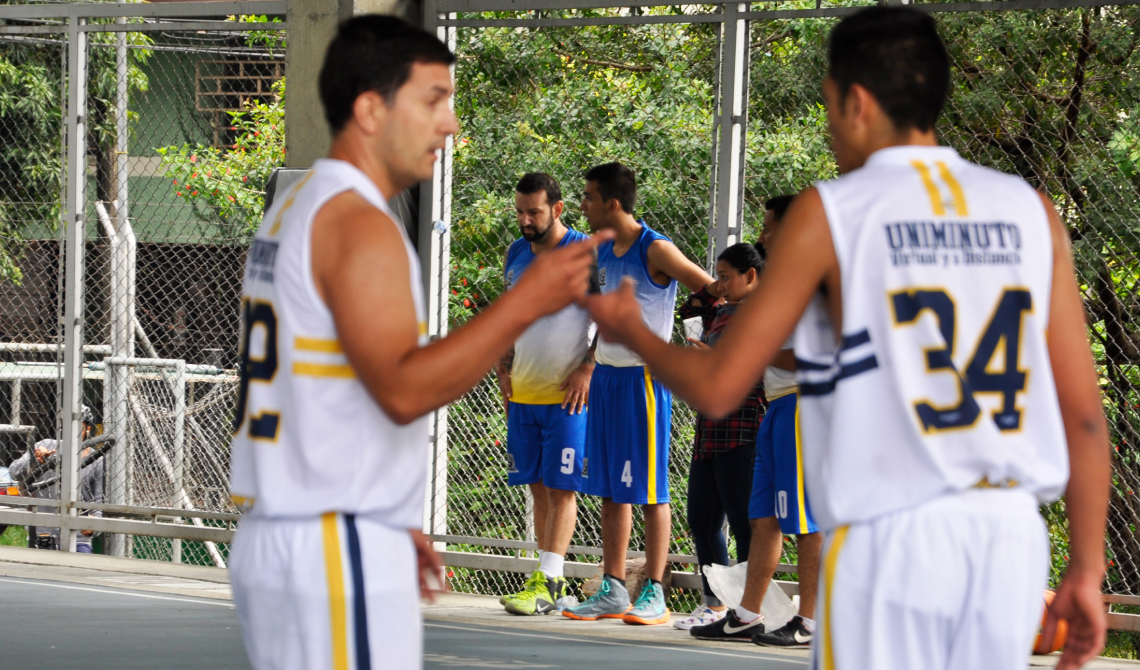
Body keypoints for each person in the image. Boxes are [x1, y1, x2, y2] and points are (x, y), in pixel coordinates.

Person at [585, 7, 1109, 670]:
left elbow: (720, 385)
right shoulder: (1029, 212)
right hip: (1006, 539)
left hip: (891, 537)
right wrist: (1085, 571)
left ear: (856, 102)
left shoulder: (832, 213)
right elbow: (1085, 416)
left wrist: (633, 328)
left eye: (828, 104)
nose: (828, 126)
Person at [226, 16, 607, 670]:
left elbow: (332, 380)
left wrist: (388, 516)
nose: (450, 123)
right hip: (330, 541)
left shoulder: (299, 203)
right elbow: (404, 389)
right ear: (372, 109)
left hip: (296, 530)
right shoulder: (358, 223)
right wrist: (524, 303)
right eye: (434, 100)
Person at [562, 162, 719, 626]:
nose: (583, 205)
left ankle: (654, 590)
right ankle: (612, 588)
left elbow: (711, 290)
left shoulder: (657, 248)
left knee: (649, 489)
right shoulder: (601, 251)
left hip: (644, 381)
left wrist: (704, 341)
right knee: (611, 489)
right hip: (608, 379)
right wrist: (591, 361)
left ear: (612, 203)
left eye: (588, 197)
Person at [691, 195, 823, 646]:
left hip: (804, 405)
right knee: (763, 515)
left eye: (770, 227)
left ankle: (810, 620)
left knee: (805, 519)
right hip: (777, 405)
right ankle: (747, 613)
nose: (763, 234)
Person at [494, 172, 594, 616]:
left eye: (533, 211)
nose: (525, 219)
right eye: (519, 211)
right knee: (537, 488)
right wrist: (503, 363)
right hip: (524, 390)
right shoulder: (516, 252)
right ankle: (545, 578)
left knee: (561, 487)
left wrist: (589, 367)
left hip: (567, 396)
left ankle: (551, 579)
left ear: (557, 209)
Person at [671, 242, 766, 631]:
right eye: (719, 276)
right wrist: (714, 289)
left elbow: (759, 376)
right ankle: (716, 604)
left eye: (727, 277)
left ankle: (748, 608)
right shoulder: (722, 310)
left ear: (752, 276)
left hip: (743, 429)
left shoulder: (764, 315)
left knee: (744, 524)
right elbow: (689, 310)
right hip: (710, 428)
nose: (720, 285)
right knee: (702, 520)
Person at [9, 405, 104, 553]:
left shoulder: (97, 459)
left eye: (78, 428)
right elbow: (14, 471)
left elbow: (99, 505)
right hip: (42, 534)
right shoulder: (46, 445)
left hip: (78, 538)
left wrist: (92, 528)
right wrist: (35, 459)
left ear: (88, 430)